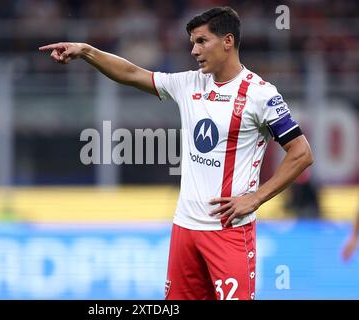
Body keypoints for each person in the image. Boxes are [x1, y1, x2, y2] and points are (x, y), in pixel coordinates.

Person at [39, 7, 313, 300]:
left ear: (228, 41)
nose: (194, 50)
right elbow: (131, 73)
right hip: (185, 228)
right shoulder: (190, 83)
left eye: (201, 41)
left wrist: (255, 198)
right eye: (193, 42)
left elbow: (301, 153)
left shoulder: (260, 94)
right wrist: (86, 51)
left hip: (229, 232)